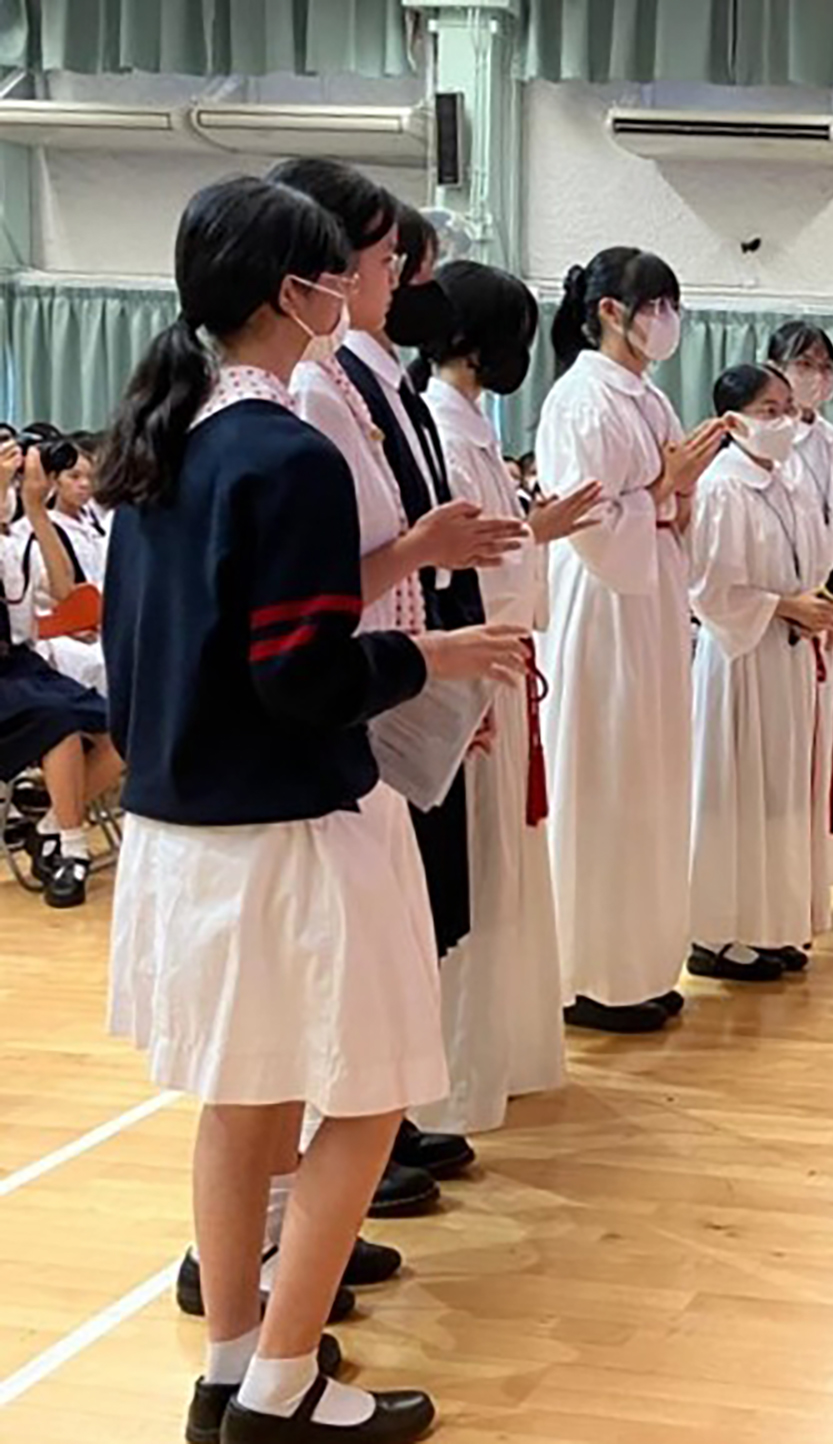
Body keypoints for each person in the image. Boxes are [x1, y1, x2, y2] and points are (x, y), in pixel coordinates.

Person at [97, 173, 526, 1444]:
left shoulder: (161, 436)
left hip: (185, 827)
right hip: (294, 827)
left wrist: (399, 569)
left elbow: (200, 644)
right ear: (296, 291)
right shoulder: (281, 448)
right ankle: (288, 1378)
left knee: (243, 1103)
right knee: (368, 1091)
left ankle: (232, 1359)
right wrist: (432, 658)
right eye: (344, 269)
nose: (360, 289)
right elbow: (302, 675)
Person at [271, 159, 524, 1211]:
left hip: (389, 678)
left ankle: (357, 1153)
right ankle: (298, 1212)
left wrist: (442, 679)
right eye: (381, 261)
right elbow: (332, 580)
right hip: (342, 697)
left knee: (401, 932)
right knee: (321, 982)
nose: (393, 281)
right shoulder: (298, 400)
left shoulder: (365, 383)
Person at [416, 259, 602, 1132]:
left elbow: (493, 549)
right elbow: (464, 570)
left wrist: (536, 531)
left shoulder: (473, 429)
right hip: (472, 668)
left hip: (499, 665)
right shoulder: (446, 433)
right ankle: (450, 1087)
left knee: (502, 878)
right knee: (472, 885)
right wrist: (533, 537)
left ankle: (494, 1060)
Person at [537, 246, 733, 1028]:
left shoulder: (646, 399)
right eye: (654, 304)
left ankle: (642, 961)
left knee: (649, 779)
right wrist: (664, 489)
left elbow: (666, 510)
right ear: (610, 312)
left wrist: (674, 498)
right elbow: (587, 526)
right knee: (603, 777)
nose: (666, 320)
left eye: (671, 304)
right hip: (602, 607)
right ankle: (588, 973)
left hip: (648, 603)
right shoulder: (582, 400)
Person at [687, 364, 833, 980]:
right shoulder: (723, 488)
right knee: (737, 792)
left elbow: (811, 563)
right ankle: (719, 935)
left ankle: (771, 922)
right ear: (733, 421)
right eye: (769, 409)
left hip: (787, 656)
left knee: (780, 795)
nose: (783, 420)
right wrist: (782, 606)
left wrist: (819, 607)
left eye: (787, 407)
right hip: (741, 660)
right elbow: (709, 589)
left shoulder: (788, 482)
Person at [767, 323, 833, 924]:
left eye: (823, 365)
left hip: (828, 617)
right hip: (779, 616)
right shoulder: (756, 446)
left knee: (821, 751)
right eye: (802, 363)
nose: (814, 376)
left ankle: (812, 874)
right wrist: (795, 602)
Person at [1, 439, 120, 909]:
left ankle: (49, 824)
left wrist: (35, 508)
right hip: (10, 680)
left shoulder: (17, 535)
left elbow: (65, 587)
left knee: (123, 727)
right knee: (59, 724)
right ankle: (72, 849)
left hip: (24, 666)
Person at [20, 429, 109, 692]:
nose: (84, 485)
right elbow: (57, 592)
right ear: (54, 481)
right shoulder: (33, 528)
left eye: (90, 478)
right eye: (74, 477)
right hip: (52, 627)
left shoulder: (96, 525)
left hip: (96, 616)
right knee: (98, 664)